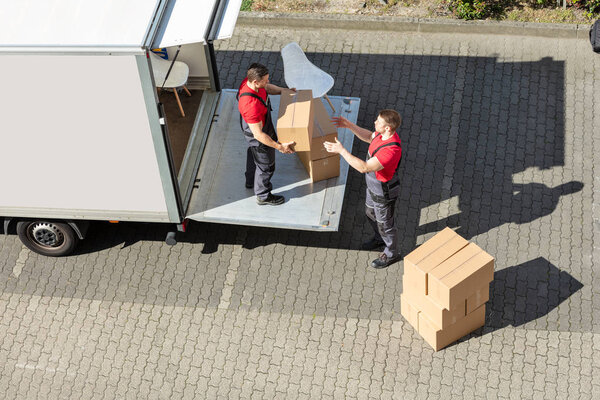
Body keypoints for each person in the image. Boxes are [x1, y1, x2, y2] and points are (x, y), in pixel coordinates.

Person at [324, 110, 403, 269]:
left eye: (378, 122)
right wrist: (348, 125)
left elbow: (364, 167)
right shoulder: (381, 136)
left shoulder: (391, 151)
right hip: (373, 187)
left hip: (383, 193)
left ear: (387, 128)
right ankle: (380, 238)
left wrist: (341, 151)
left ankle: (390, 253)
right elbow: (368, 137)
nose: (374, 123)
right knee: (370, 213)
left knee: (385, 224)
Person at [237, 63, 295, 205]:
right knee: (266, 166)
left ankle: (250, 180)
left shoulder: (250, 82)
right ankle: (263, 196)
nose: (268, 81)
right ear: (255, 82)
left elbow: (267, 88)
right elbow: (258, 135)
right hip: (257, 133)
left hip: (258, 125)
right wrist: (279, 147)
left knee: (253, 153)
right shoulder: (251, 105)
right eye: (265, 80)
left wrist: (284, 91)